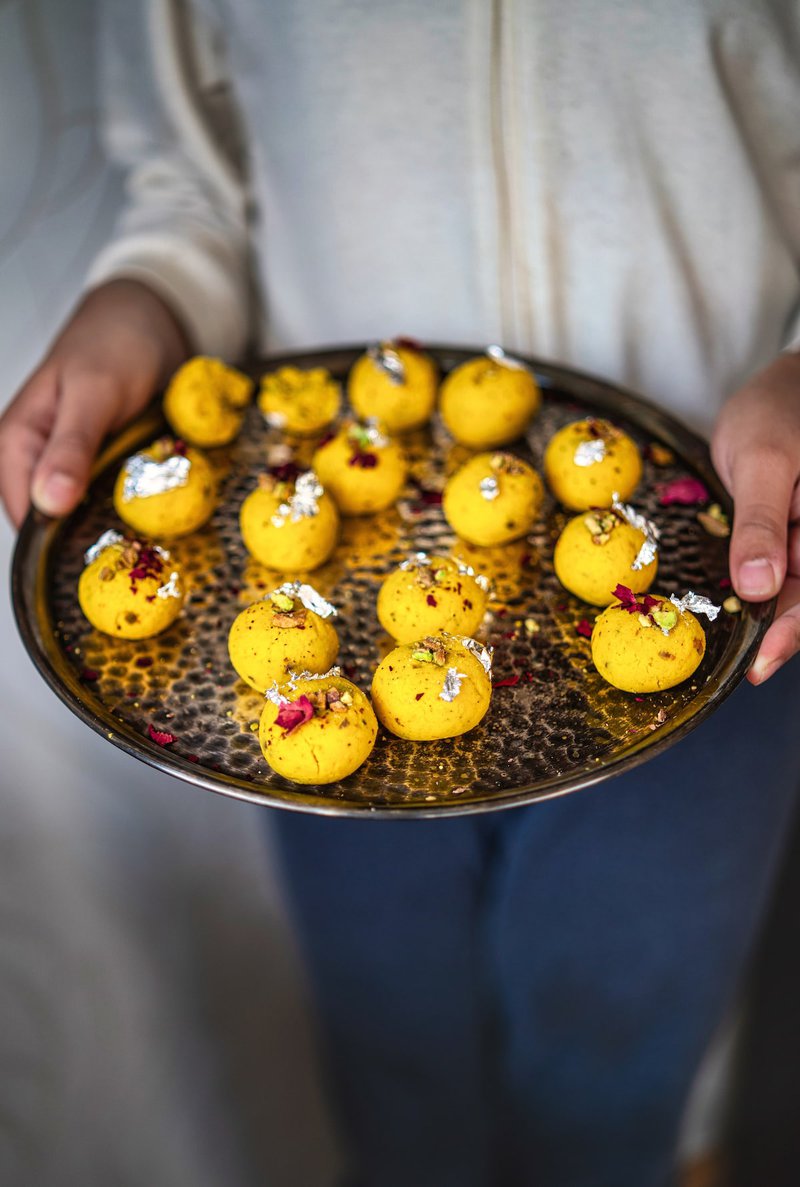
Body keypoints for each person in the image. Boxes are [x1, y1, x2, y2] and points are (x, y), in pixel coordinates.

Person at [2, 3, 799, 1184]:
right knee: (393, 1056)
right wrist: (151, 292)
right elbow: (196, 181)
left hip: (719, 572)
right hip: (340, 592)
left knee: (617, 1055)